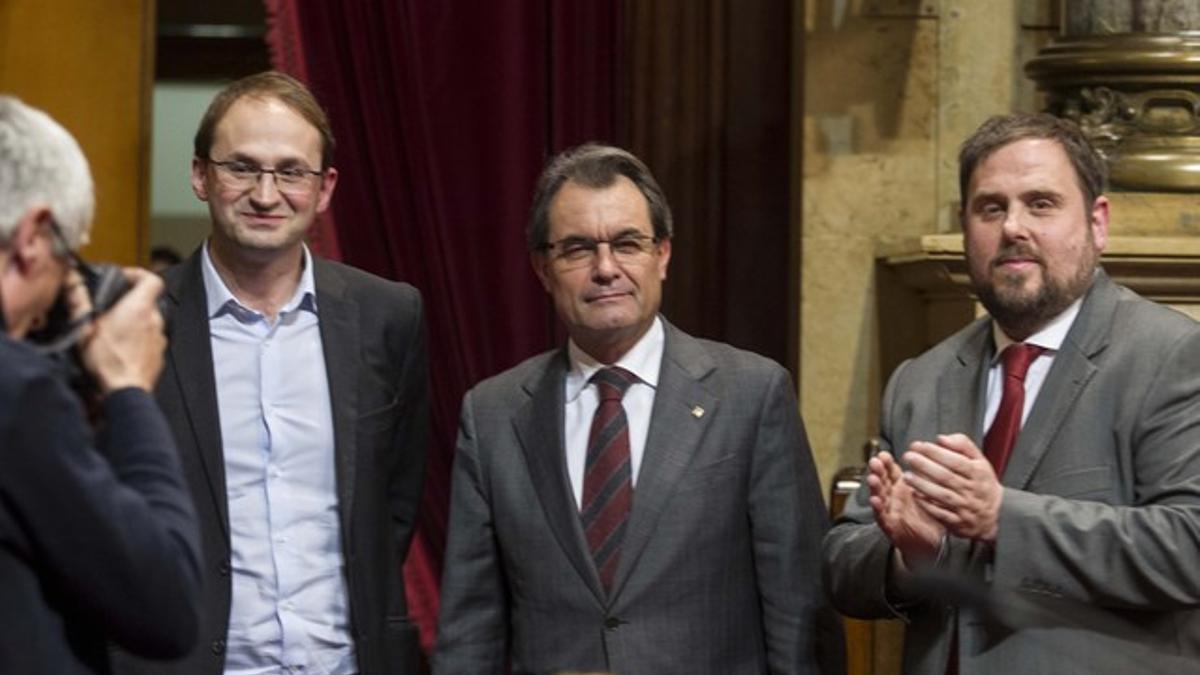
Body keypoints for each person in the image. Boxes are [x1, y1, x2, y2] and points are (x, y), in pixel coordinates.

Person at [434, 144, 843, 674]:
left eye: (627, 244)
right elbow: (471, 631)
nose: (606, 269)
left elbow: (798, 609)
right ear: (542, 267)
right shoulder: (491, 415)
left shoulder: (751, 394)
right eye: (578, 249)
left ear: (663, 254)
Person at [822, 113, 1200, 673]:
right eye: (991, 208)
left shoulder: (1172, 356)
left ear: (1098, 223)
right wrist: (912, 555)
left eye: (1041, 204)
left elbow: (1190, 546)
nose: (1013, 228)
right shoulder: (921, 379)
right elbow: (843, 562)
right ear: (965, 225)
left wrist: (1003, 517)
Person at [111, 72, 429, 674]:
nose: (265, 193)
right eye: (241, 167)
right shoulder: (132, 320)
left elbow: (392, 506)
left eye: (290, 171)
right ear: (200, 175)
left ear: (325, 187)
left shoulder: (390, 316)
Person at [0, 96, 201, 673]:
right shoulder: (18, 393)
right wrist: (129, 390)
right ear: (35, 234)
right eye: (70, 258)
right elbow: (165, 606)